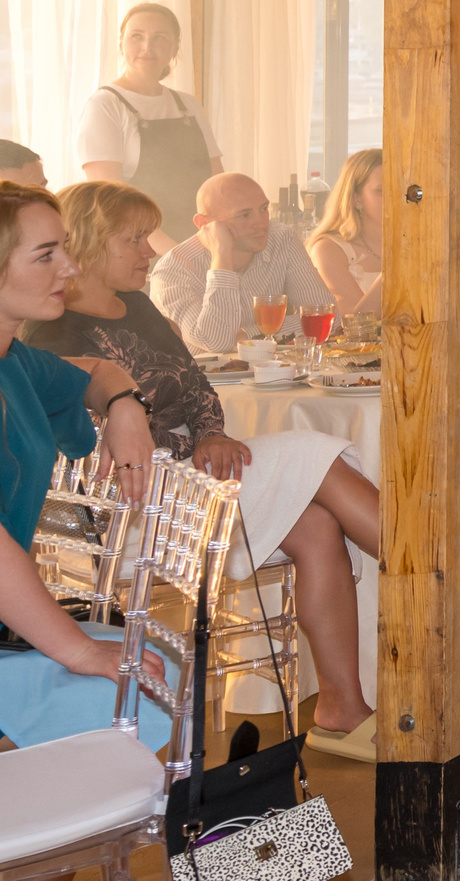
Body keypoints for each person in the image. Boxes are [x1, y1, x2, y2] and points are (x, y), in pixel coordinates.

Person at [35, 181, 384, 757]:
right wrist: (175, 439)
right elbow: (86, 442)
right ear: (92, 243)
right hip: (134, 507)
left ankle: (341, 709)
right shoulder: (50, 330)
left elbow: (197, 386)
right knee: (311, 454)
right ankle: (453, 563)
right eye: (135, 240)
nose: (151, 251)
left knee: (318, 524)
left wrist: (212, 433)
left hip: (190, 485)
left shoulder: (137, 304)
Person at [0, 186, 167, 881]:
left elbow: (96, 368)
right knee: (118, 699)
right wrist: (74, 646)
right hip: (10, 620)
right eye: (45, 253)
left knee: (150, 698)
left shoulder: (15, 359)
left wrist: (125, 404)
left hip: (9, 624)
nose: (68, 267)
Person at [74, 2, 222, 247]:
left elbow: (218, 185)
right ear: (121, 44)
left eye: (159, 38)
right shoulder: (105, 105)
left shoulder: (188, 105)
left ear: (175, 46)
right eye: (137, 36)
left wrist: (223, 242)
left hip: (201, 243)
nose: (147, 47)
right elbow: (111, 201)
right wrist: (175, 254)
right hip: (138, 248)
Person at [147, 172, 332, 353]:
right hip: (205, 380)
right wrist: (221, 255)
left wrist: (247, 335)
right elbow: (216, 342)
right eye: (244, 215)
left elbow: (325, 315)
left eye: (263, 209)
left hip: (272, 373)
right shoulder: (173, 269)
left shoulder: (282, 239)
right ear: (204, 224)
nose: (260, 223)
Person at [306, 147, 384, 316]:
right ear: (356, 199)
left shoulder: (416, 243)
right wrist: (398, 267)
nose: (394, 198)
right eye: (382, 191)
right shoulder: (328, 249)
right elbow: (356, 323)